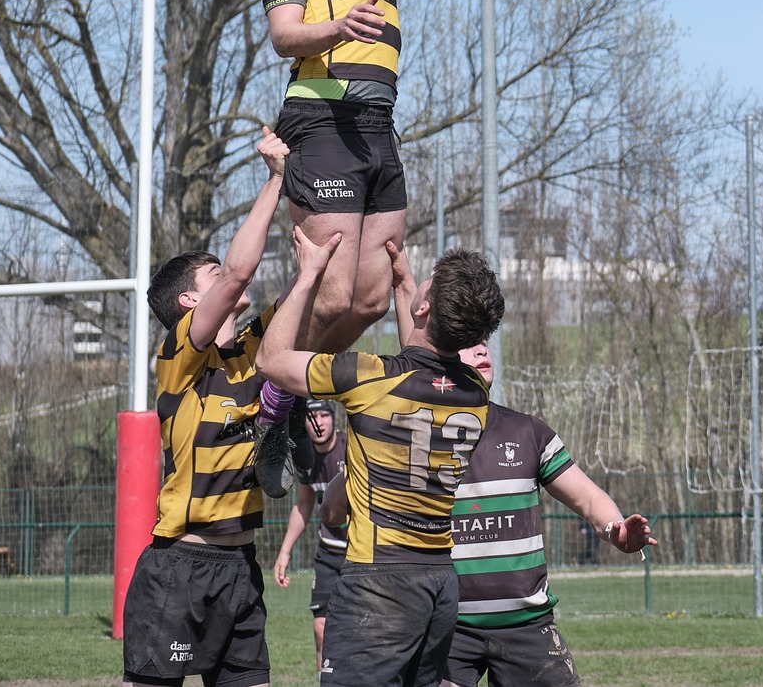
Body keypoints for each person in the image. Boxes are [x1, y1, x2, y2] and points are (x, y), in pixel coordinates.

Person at [251, 0, 446, 497]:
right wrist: (339, 23)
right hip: (323, 116)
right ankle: (273, 402)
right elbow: (283, 35)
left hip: (376, 124)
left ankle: (286, 393)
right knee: (332, 287)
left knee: (368, 296)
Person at [258, 235, 502, 687]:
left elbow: (271, 361)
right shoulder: (476, 392)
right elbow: (426, 358)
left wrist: (308, 274)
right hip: (439, 584)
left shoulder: (369, 375)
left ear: (425, 310)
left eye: (425, 287)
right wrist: (407, 280)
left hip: (378, 582)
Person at [122, 132, 288, 687]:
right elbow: (240, 272)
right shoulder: (176, 355)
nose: (229, 274)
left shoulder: (255, 350)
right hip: (179, 569)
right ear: (191, 302)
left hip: (241, 567)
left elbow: (325, 303)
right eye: (212, 273)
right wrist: (275, 178)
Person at [440, 342, 657, 687]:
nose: (482, 349)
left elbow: (588, 498)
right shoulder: (421, 439)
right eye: (467, 342)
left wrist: (615, 528)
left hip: (528, 628)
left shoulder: (527, 432)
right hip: (447, 628)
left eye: (483, 341)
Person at [272, 402, 348, 671]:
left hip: (361, 553)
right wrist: (284, 552)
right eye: (312, 415)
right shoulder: (305, 458)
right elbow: (303, 504)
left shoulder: (352, 448)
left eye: (324, 414)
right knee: (321, 627)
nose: (319, 422)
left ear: (334, 419)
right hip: (329, 552)